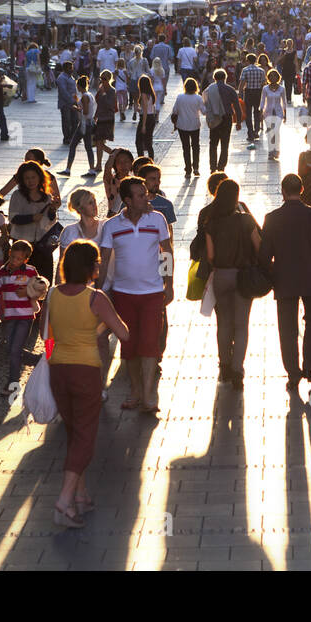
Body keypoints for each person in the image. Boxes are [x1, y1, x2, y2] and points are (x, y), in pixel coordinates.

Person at [43, 240, 129, 528]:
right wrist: (97, 327)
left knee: (73, 432)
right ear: (90, 267)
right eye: (97, 263)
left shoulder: (53, 294)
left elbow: (47, 336)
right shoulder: (96, 298)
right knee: (86, 439)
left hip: (58, 371)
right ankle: (64, 501)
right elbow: (124, 334)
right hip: (86, 371)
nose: (99, 267)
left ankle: (82, 497)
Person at [99, 176, 173, 414]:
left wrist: (169, 283)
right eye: (140, 195)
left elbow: (167, 252)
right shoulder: (112, 225)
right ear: (128, 200)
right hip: (123, 293)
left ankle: (149, 394)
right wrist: (100, 291)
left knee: (150, 344)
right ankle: (136, 391)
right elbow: (103, 260)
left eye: (145, 193)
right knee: (128, 345)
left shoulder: (157, 219)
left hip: (152, 292)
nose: (146, 197)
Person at [259, 173, 311, 391]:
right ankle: (310, 367)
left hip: (284, 279)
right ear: (302, 190)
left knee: (287, 327)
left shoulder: (272, 218)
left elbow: (264, 256)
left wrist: (273, 274)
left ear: (283, 191)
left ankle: (293, 372)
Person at [204, 179, 263, 386]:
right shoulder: (246, 220)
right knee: (241, 325)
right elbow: (259, 246)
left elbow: (210, 255)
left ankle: (225, 365)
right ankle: (238, 369)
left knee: (224, 323)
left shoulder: (211, 222)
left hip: (221, 275)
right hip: (243, 277)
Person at [0, 239, 42, 393]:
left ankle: (12, 383)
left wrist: (27, 292)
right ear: (9, 254)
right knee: (11, 349)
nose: (14, 261)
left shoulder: (31, 271)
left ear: (25, 260)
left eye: (19, 259)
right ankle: (38, 360)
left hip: (25, 317)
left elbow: (40, 289)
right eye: (13, 257)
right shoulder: (2, 272)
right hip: (9, 317)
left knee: (14, 350)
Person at [7, 161, 59, 286]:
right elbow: (13, 218)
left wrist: (52, 210)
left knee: (43, 281)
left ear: (40, 177)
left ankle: (41, 304)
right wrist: (31, 218)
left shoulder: (46, 197)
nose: (31, 181)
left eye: (33, 177)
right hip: (22, 246)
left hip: (42, 246)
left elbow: (51, 221)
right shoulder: (17, 195)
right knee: (21, 282)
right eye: (27, 178)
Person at [203, 68, 242, 173]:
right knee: (225, 144)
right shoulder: (230, 89)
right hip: (226, 119)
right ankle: (221, 167)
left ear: (214, 78)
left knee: (213, 144)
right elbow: (237, 107)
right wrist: (238, 122)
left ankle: (212, 167)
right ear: (225, 77)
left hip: (215, 119)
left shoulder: (208, 90)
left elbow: (205, 105)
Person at [61, 73, 96, 177]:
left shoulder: (85, 97)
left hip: (84, 124)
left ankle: (68, 169)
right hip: (88, 123)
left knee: (73, 145)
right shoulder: (89, 95)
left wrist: (75, 108)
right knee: (88, 147)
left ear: (79, 86)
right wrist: (77, 101)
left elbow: (84, 111)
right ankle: (92, 169)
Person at [171, 76, 206, 177]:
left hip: (182, 125)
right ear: (195, 87)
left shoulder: (180, 97)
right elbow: (204, 112)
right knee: (195, 146)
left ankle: (188, 170)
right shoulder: (198, 98)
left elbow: (175, 111)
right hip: (194, 125)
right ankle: (196, 167)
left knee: (185, 148)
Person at [239, 52, 266, 145]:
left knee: (248, 113)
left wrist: (240, 93)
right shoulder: (261, 70)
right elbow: (263, 83)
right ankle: (256, 130)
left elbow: (242, 83)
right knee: (257, 112)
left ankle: (250, 133)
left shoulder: (245, 70)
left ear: (247, 60)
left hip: (249, 92)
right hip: (258, 92)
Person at [261, 69, 287, 161]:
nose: (273, 78)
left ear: (278, 77)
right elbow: (263, 101)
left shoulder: (281, 89)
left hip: (278, 113)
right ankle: (270, 151)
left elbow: (284, 102)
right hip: (268, 113)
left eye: (274, 76)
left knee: (276, 131)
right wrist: (261, 112)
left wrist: (285, 114)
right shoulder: (265, 89)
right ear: (268, 78)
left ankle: (277, 149)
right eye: (271, 76)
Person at [134, 73, 158, 160]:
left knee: (138, 141)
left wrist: (143, 125)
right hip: (151, 117)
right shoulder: (151, 94)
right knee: (148, 142)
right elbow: (149, 108)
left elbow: (144, 111)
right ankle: (151, 159)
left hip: (146, 118)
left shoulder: (143, 95)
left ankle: (141, 159)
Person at [56, 60, 80, 145]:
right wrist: (71, 101)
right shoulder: (61, 78)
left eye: (72, 68)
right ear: (65, 69)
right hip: (65, 103)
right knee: (67, 121)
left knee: (75, 120)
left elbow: (74, 91)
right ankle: (67, 138)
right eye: (70, 68)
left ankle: (73, 136)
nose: (72, 69)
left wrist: (77, 101)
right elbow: (63, 92)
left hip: (73, 102)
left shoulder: (71, 77)